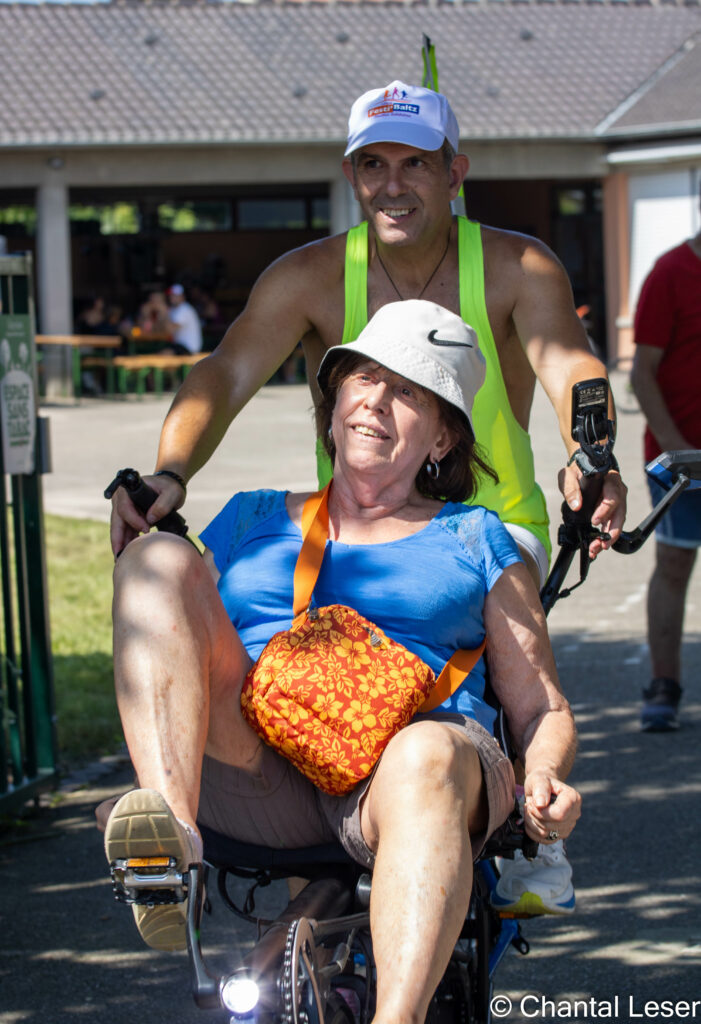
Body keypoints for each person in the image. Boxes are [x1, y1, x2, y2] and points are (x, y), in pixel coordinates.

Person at [109, 80, 625, 915]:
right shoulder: (311, 274)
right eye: (372, 164)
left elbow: (568, 362)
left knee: (436, 642)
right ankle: (198, 842)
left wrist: (590, 454)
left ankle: (517, 807)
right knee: (286, 633)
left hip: (491, 523)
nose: (392, 184)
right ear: (351, 174)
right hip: (359, 518)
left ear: (454, 171)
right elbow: (226, 372)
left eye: (414, 164)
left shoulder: (512, 263)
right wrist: (170, 474)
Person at [103, 302, 581, 1024]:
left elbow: (540, 705)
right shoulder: (250, 515)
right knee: (156, 560)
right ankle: (171, 843)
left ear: (443, 436)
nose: (375, 402)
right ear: (331, 406)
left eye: (408, 392)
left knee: (424, 751)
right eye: (361, 378)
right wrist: (152, 510)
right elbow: (172, 635)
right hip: (260, 767)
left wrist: (544, 777)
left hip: (409, 782)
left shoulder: (476, 537)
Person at [630, 212, 701, 732]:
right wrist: (677, 448)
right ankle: (664, 684)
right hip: (682, 458)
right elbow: (642, 372)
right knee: (674, 567)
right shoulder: (671, 272)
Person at [165, 283, 202, 355]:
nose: (171, 297)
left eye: (174, 295)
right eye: (170, 295)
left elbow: (170, 330)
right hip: (179, 345)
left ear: (182, 296)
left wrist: (163, 312)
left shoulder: (184, 309)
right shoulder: (174, 309)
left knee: (163, 355)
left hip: (189, 348)